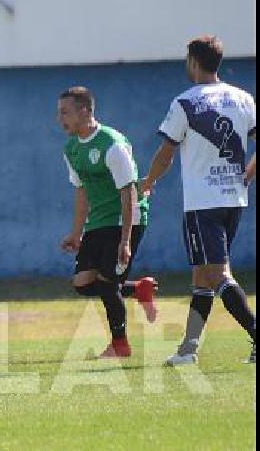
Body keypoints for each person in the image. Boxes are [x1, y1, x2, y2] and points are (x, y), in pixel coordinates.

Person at [138, 35, 257, 365]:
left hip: (203, 203)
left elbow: (166, 154)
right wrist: (246, 176)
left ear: (193, 61)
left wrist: (148, 182)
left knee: (217, 274)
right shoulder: (243, 99)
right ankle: (188, 350)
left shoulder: (185, 102)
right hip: (234, 199)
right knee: (202, 276)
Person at [57, 86, 158, 359]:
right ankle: (139, 289)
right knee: (82, 283)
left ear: (85, 111)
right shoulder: (71, 149)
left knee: (106, 283)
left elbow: (129, 193)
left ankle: (120, 345)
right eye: (59, 113)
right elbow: (81, 192)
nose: (60, 119)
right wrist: (76, 233)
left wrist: (125, 241)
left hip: (128, 218)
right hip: (98, 221)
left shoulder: (111, 144)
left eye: (65, 112)